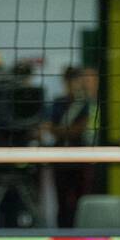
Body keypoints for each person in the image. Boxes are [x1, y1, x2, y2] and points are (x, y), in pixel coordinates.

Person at [37, 65, 98, 226]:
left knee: (81, 198)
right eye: (70, 80)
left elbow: (78, 130)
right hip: (60, 159)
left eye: (76, 80)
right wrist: (63, 131)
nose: (73, 84)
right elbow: (49, 127)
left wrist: (60, 131)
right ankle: (62, 232)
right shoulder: (58, 102)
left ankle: (81, 230)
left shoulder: (84, 103)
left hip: (80, 157)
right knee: (61, 199)